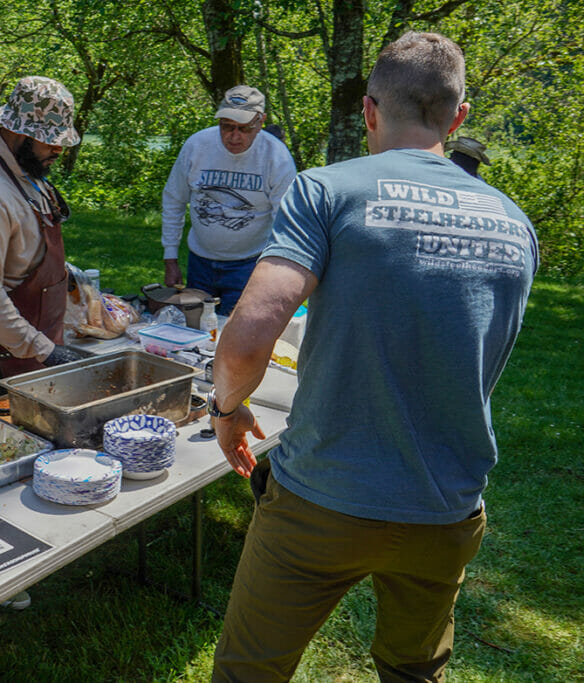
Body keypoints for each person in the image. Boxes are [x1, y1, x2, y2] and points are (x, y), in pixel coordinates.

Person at [207, 32, 537, 681]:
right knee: (415, 672)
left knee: (248, 673)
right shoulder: (515, 222)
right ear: (457, 116)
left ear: (369, 110)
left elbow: (247, 338)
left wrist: (227, 409)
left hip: (320, 500)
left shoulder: (325, 190)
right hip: (446, 506)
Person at [0, 76, 85, 407]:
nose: (59, 150)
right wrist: (45, 351)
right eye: (49, 141)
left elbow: (26, 252)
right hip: (3, 367)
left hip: (32, 353)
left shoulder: (23, 172)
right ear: (19, 132)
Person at [161, 85, 297, 315]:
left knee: (237, 336)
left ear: (260, 122)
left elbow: (285, 222)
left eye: (244, 129)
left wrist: (273, 272)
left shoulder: (277, 157)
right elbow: (174, 200)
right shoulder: (197, 146)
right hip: (199, 261)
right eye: (226, 126)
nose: (234, 136)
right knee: (194, 332)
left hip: (249, 264)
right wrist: (170, 257)